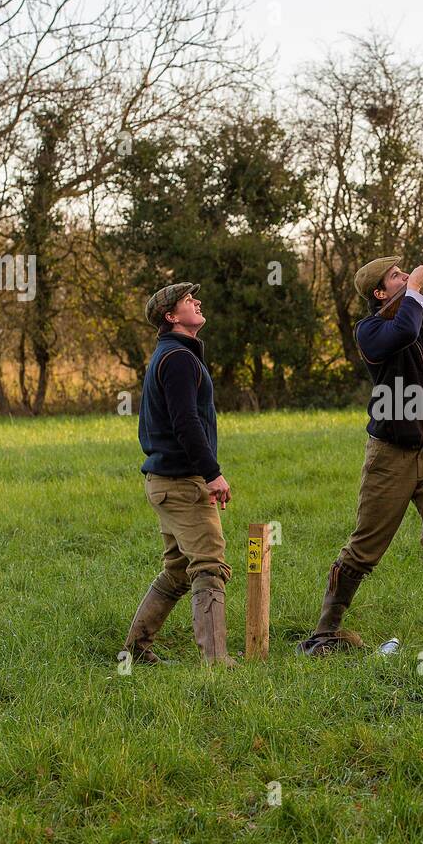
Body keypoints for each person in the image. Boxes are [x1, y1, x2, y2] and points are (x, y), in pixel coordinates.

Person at [297, 206, 423, 656]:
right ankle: (326, 629)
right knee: (365, 548)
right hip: (391, 457)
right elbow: (401, 334)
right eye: (401, 276)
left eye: (408, 273)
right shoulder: (371, 330)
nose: (410, 277)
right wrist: (417, 294)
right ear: (381, 291)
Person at [123, 282, 237, 667]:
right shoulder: (178, 360)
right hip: (180, 482)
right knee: (208, 566)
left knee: (177, 571)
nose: (198, 302)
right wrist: (212, 474)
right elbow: (185, 422)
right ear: (171, 317)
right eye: (189, 301)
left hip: (165, 483)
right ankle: (217, 663)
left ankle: (136, 651)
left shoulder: (172, 356)